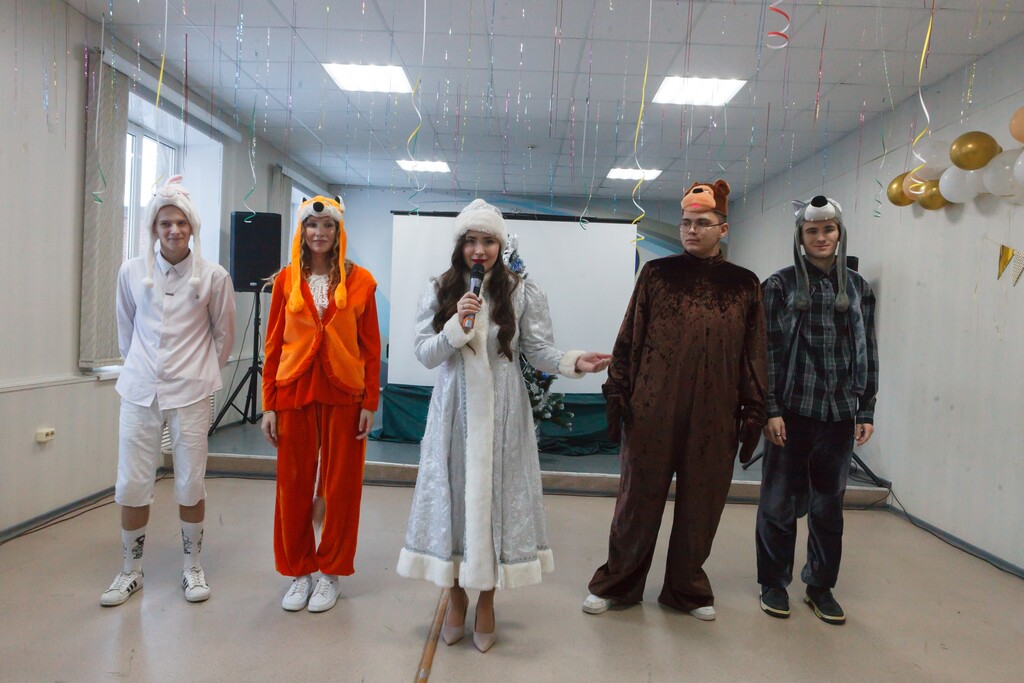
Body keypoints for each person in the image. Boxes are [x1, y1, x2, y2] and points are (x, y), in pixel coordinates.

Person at [397, 199, 611, 652]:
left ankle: (488, 600)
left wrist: (576, 362)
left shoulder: (522, 292)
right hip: (453, 411)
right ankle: (456, 596)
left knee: (497, 500)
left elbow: (538, 351)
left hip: (504, 411)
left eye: (488, 241)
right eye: (471, 241)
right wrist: (455, 327)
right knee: (454, 499)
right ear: (460, 245)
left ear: (500, 244)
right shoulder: (440, 288)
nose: (479, 250)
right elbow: (425, 353)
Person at [583, 179, 767, 621]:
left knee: (701, 506)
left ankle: (686, 589)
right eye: (686, 223)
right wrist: (618, 390)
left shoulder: (744, 285)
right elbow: (630, 337)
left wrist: (754, 409)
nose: (691, 230)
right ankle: (618, 583)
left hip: (715, 413)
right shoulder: (657, 275)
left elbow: (755, 353)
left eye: (702, 223)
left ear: (723, 229)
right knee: (636, 501)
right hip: (652, 408)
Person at [102, 176, 236, 606]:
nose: (174, 230)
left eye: (181, 222)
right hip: (139, 391)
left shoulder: (213, 277)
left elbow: (223, 337)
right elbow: (126, 330)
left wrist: (196, 373)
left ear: (192, 227)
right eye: (165, 223)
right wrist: (144, 369)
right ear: (154, 228)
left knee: (191, 482)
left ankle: (192, 567)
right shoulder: (131, 272)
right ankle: (130, 570)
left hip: (191, 392)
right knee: (132, 481)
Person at [755, 195, 878, 625]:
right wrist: (770, 408)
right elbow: (766, 352)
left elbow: (868, 350)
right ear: (800, 236)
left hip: (839, 414)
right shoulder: (779, 285)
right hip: (791, 411)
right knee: (778, 503)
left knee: (829, 509)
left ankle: (820, 586)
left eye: (828, 229)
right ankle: (773, 583)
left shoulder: (859, 289)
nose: (821, 237)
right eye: (812, 231)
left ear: (839, 233)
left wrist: (866, 408)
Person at [261, 195, 381, 614]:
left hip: (345, 394)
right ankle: (300, 571)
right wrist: (269, 404)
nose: (319, 233)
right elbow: (273, 344)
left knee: (341, 488)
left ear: (339, 231)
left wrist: (370, 400)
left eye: (328, 225)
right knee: (292, 486)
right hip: (293, 391)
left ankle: (330, 572)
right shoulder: (285, 280)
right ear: (302, 231)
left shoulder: (361, 281)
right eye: (312, 226)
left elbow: (370, 347)